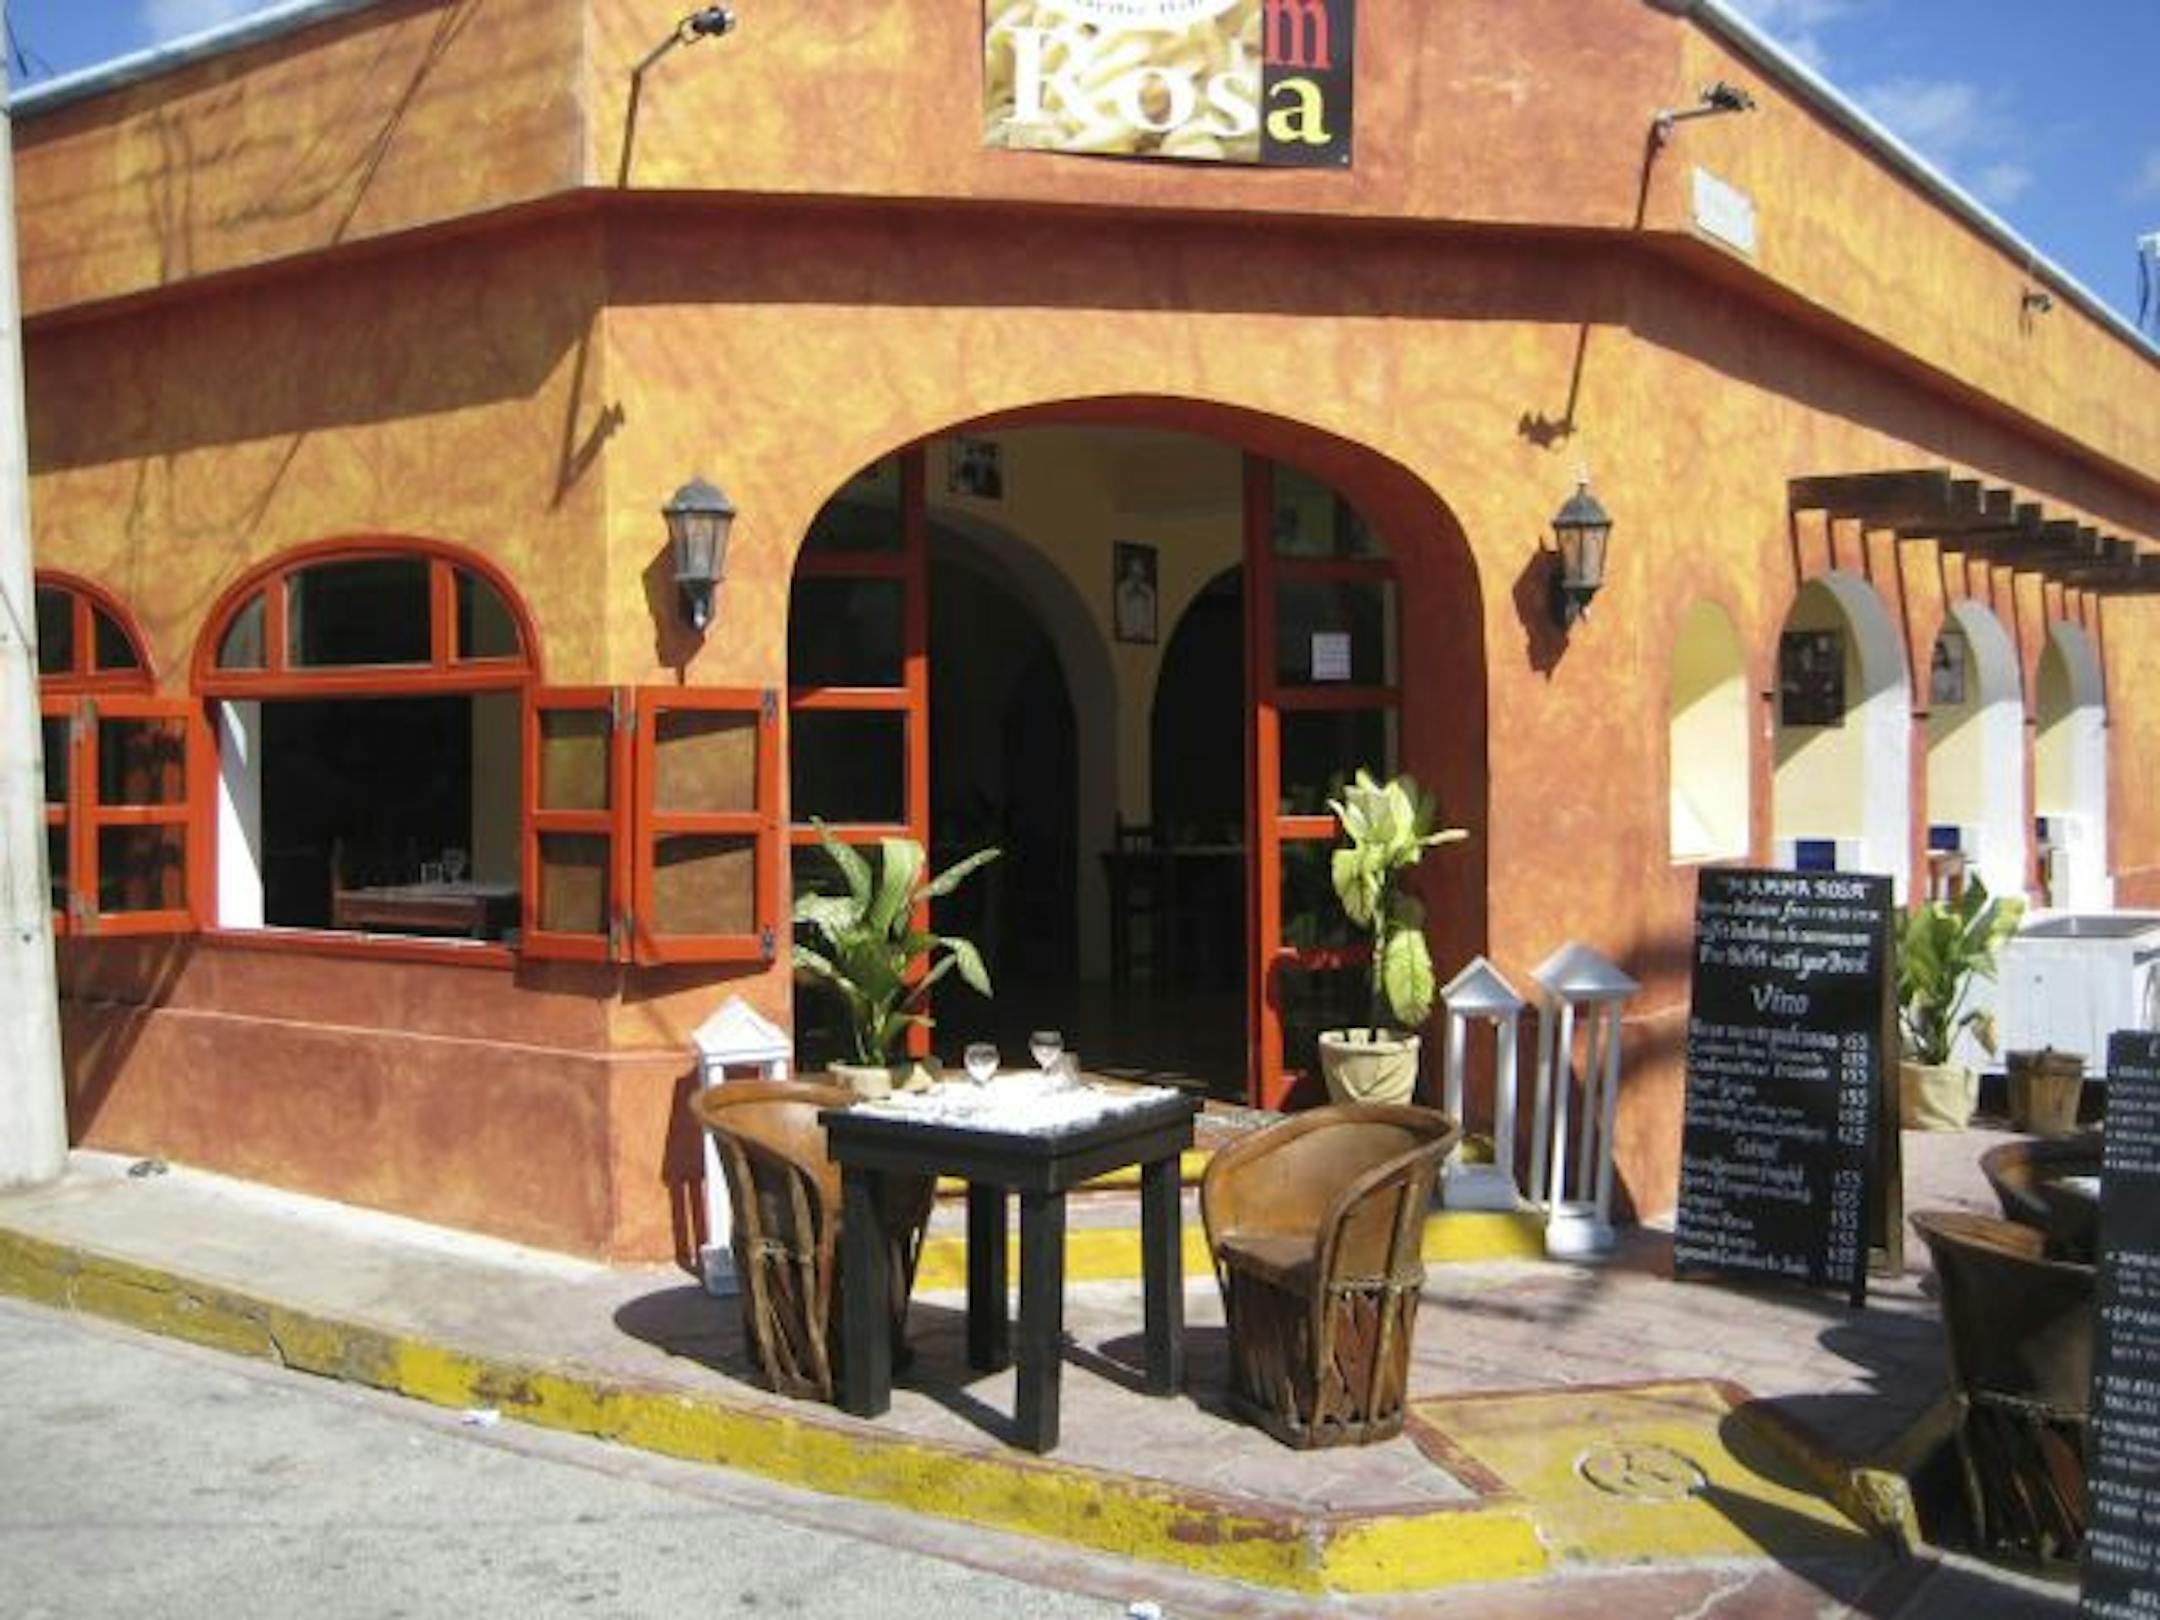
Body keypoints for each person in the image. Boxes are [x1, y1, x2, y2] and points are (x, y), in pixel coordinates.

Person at [1114, 549, 1156, 643]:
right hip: (1128, 633)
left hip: (1145, 634)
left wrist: (1146, 633)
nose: (1137, 576)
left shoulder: (1149, 591)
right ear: (1129, 572)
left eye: (1139, 572)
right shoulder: (1121, 589)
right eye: (1134, 573)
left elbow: (1151, 615)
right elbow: (1121, 614)